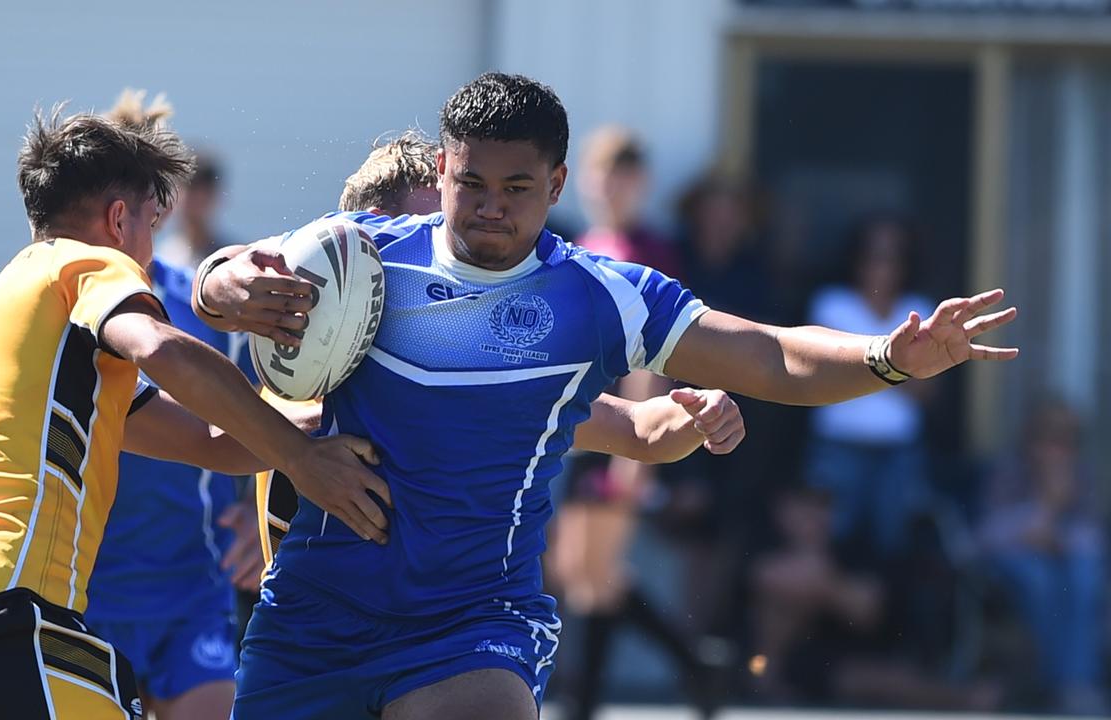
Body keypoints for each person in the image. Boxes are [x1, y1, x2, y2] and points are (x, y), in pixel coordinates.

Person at [197, 73, 1017, 720]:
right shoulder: (363, 260)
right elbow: (231, 272)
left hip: (471, 624)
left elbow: (764, 354)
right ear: (441, 167)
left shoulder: (600, 297)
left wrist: (888, 357)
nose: (488, 208)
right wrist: (224, 284)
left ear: (556, 183)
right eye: (470, 181)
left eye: (516, 188)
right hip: (313, 618)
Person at [0, 97, 388, 720]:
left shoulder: (20, 308)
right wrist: (301, 459)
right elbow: (160, 348)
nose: (149, 256)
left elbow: (206, 443)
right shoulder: (89, 264)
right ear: (117, 220)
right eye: (149, 230)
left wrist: (314, 430)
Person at [257, 131, 747, 579]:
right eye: (420, 241)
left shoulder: (469, 373)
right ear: (363, 251)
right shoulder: (298, 381)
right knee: (590, 578)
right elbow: (213, 431)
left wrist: (694, 417)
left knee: (590, 579)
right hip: (331, 640)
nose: (446, 263)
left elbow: (633, 427)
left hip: (444, 640)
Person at [84, 93, 263, 720]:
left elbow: (261, 418)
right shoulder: (60, 303)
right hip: (82, 597)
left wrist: (255, 518)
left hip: (193, 589)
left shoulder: (207, 305)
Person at [549, 126, 717, 720]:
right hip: (583, 423)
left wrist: (634, 456)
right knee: (579, 572)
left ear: (640, 184)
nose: (610, 188)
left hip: (624, 428)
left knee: (595, 576)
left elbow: (653, 359)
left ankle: (585, 703)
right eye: (601, 176)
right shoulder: (587, 242)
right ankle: (695, 663)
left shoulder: (651, 250)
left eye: (622, 177)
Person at [803, 215, 937, 561]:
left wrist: (865, 364)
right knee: (829, 544)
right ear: (856, 259)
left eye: (892, 257)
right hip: (837, 446)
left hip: (898, 451)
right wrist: (899, 366)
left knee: (894, 546)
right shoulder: (830, 304)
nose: (882, 266)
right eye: (874, 255)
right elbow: (818, 376)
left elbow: (926, 393)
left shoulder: (920, 311)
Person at [979, 397, 1106, 715]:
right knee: (1041, 579)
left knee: (1084, 576)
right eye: (1049, 438)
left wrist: (1053, 535)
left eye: (1066, 441)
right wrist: (1049, 507)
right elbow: (989, 537)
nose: (1056, 450)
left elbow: (1091, 539)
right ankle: (1054, 683)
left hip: (1064, 563)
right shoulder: (1007, 471)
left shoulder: (1081, 476)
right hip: (1009, 566)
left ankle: (1076, 683)